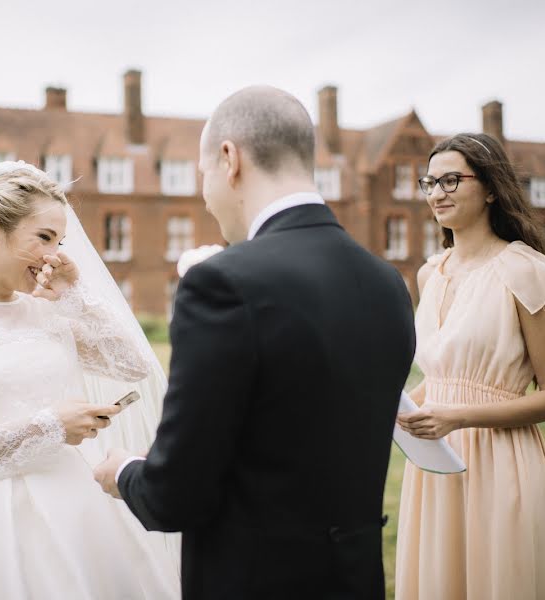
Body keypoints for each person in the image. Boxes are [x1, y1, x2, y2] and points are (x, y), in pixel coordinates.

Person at [94, 86, 416, 599]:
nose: (204, 194)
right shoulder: (387, 283)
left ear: (230, 159)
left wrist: (124, 471)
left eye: (203, 175)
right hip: (355, 579)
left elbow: (176, 495)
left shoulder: (221, 284)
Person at [0, 161, 179, 600]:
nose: (54, 254)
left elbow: (132, 364)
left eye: (59, 241)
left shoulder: (47, 310)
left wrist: (74, 295)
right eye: (43, 238)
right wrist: (51, 427)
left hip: (81, 514)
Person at [395, 133, 545, 599]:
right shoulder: (429, 273)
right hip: (435, 464)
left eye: (452, 180)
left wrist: (456, 417)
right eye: (429, 182)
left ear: (492, 188)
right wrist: (398, 407)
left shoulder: (526, 270)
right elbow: (443, 375)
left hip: (501, 463)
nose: (437, 193)